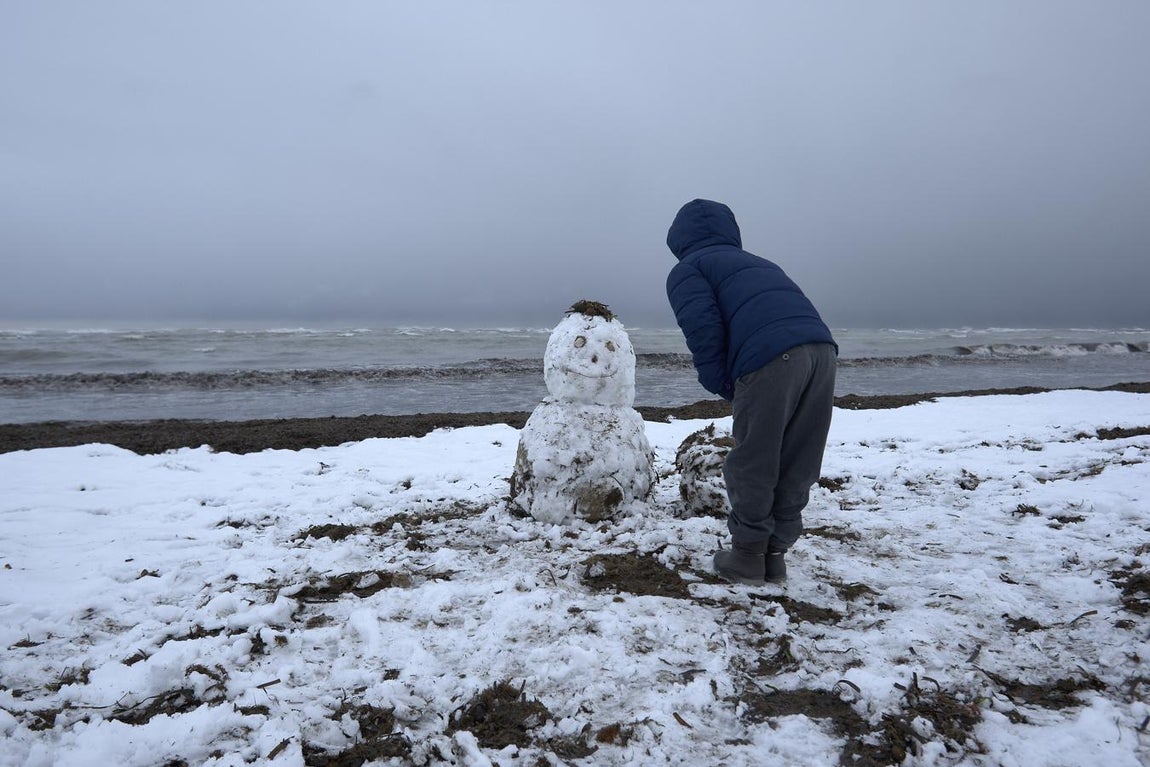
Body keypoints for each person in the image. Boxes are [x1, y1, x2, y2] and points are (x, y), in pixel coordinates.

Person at [665, 199, 837, 585]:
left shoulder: (689, 269)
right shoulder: (761, 264)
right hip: (822, 352)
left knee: (754, 458)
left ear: (679, 238)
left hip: (772, 356)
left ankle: (746, 555)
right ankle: (774, 554)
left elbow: (703, 330)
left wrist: (726, 383)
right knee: (798, 457)